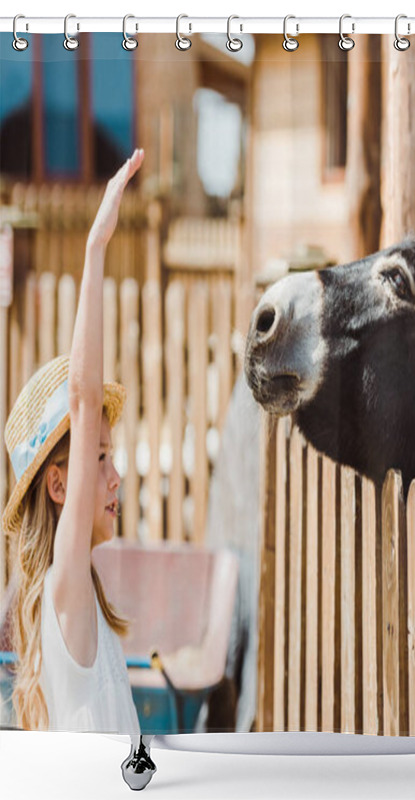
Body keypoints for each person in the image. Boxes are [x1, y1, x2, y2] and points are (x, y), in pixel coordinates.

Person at [2, 149, 145, 732]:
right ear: (60, 485)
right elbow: (85, 405)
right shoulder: (65, 590)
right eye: (98, 458)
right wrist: (95, 247)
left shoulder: (81, 596)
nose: (114, 478)